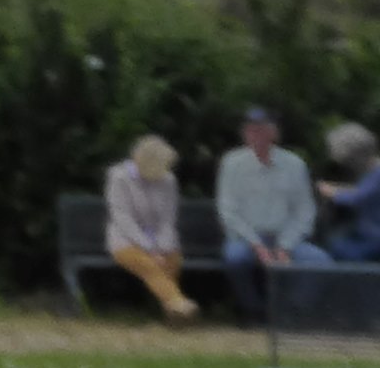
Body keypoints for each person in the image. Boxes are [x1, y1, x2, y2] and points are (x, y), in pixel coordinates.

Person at [214, 106, 325, 321]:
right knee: (235, 259)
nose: (256, 135)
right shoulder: (232, 163)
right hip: (247, 237)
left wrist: (285, 245)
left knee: (320, 262)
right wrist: (257, 245)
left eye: (262, 130)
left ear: (274, 133)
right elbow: (228, 211)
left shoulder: (294, 164)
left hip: (284, 236)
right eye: (251, 130)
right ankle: (254, 311)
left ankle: (291, 312)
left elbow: (304, 211)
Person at [101, 135, 196, 321]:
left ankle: (174, 314)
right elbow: (123, 218)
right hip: (125, 239)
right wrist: (150, 248)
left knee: (173, 261)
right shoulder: (119, 177)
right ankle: (178, 303)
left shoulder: (168, 180)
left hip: (161, 240)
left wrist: (161, 247)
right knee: (149, 265)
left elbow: (168, 219)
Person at [319, 123, 380, 264]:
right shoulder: (375, 172)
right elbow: (361, 191)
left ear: (357, 155)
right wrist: (332, 188)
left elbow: (356, 198)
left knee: (335, 246)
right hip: (368, 235)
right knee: (335, 238)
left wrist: (327, 190)